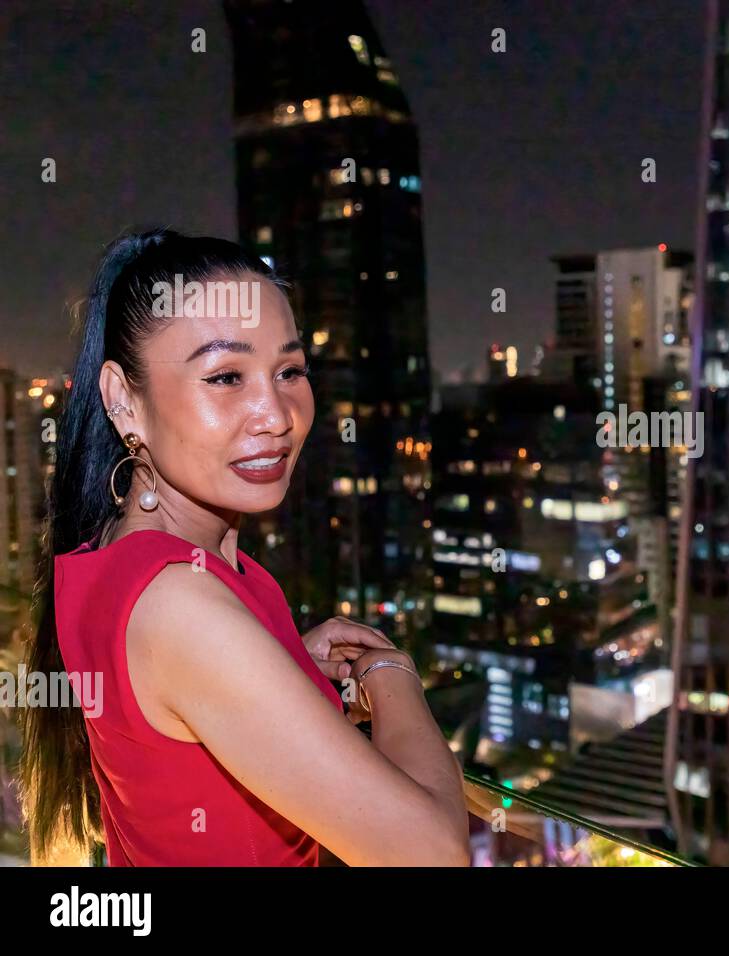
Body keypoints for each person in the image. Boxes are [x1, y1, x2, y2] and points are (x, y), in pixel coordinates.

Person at [17, 229, 469, 866]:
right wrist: (393, 677)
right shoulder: (181, 605)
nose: (276, 413)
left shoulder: (112, 558)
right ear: (124, 401)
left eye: (289, 371)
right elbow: (432, 855)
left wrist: (278, 665)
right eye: (226, 376)